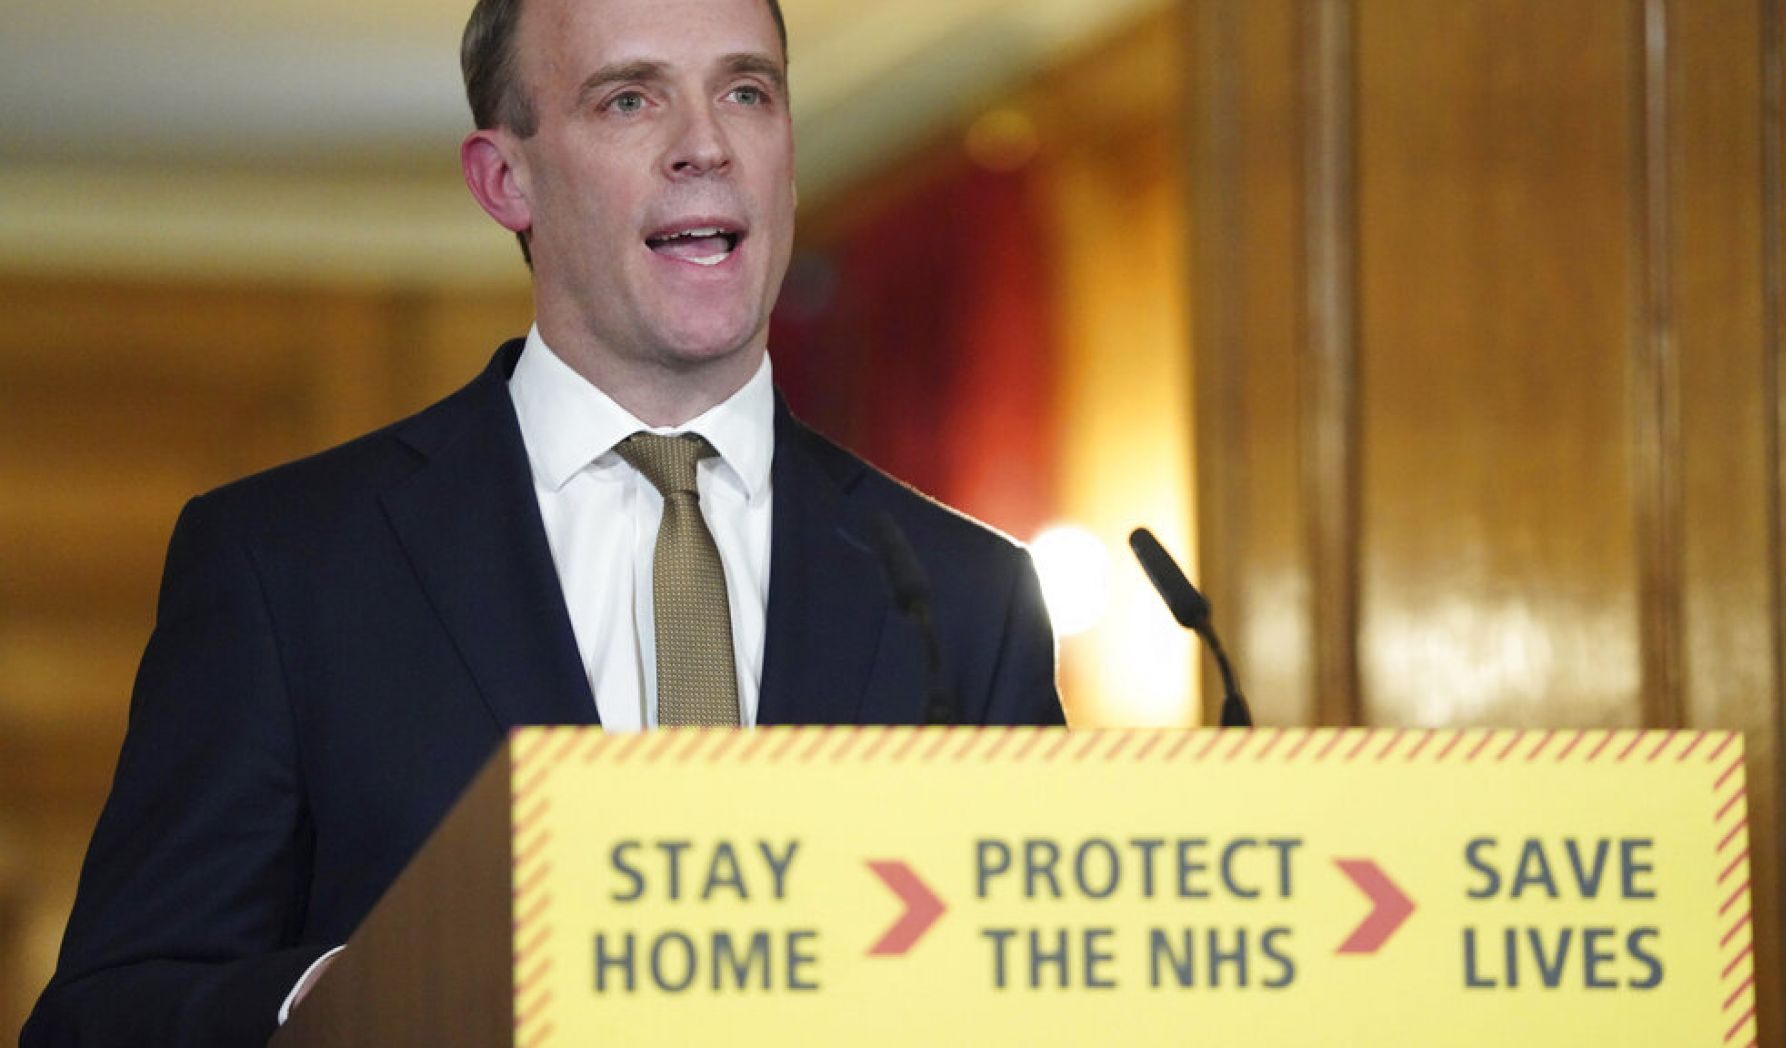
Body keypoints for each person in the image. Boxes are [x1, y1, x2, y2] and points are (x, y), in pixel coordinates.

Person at [22, 0, 1064, 1042]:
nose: (704, 145)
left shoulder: (968, 597)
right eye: (629, 99)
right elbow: (103, 1016)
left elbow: (1044, 1001)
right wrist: (350, 994)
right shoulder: (286, 566)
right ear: (503, 179)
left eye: (746, 91)